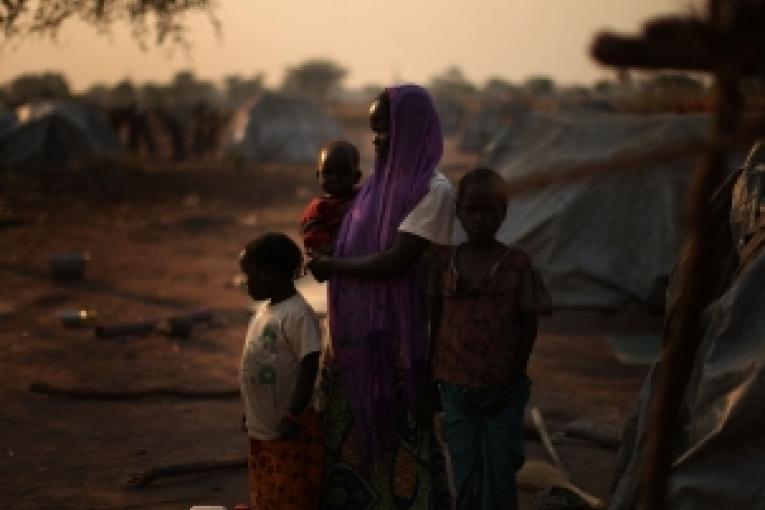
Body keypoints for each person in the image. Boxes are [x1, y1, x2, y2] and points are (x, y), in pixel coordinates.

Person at [308, 85, 454, 509]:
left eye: (384, 129)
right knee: (351, 449)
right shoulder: (375, 188)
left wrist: (333, 267)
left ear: (410, 128)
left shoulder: (434, 190)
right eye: (373, 130)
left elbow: (397, 260)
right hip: (355, 342)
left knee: (404, 451)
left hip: (402, 347)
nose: (375, 139)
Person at [431, 168, 551, 510]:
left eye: (490, 211)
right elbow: (435, 320)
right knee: (464, 469)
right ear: (459, 212)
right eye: (472, 210)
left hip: (502, 388)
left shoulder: (516, 263)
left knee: (500, 470)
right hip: (453, 386)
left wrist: (513, 379)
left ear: (504, 213)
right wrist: (430, 381)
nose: (480, 219)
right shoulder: (444, 260)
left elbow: (528, 326)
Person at [238, 233, 323, 510]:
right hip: (262, 425)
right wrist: (250, 410)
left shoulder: (298, 314)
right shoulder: (264, 311)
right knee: (266, 490)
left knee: (290, 492)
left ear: (269, 273)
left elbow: (308, 364)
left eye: (248, 274)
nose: (244, 281)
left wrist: (294, 413)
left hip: (287, 426)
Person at [300, 140, 362, 256]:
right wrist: (332, 250)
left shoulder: (364, 197)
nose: (334, 179)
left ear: (357, 177)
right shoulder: (318, 207)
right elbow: (312, 235)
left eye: (343, 173)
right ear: (318, 175)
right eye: (328, 173)